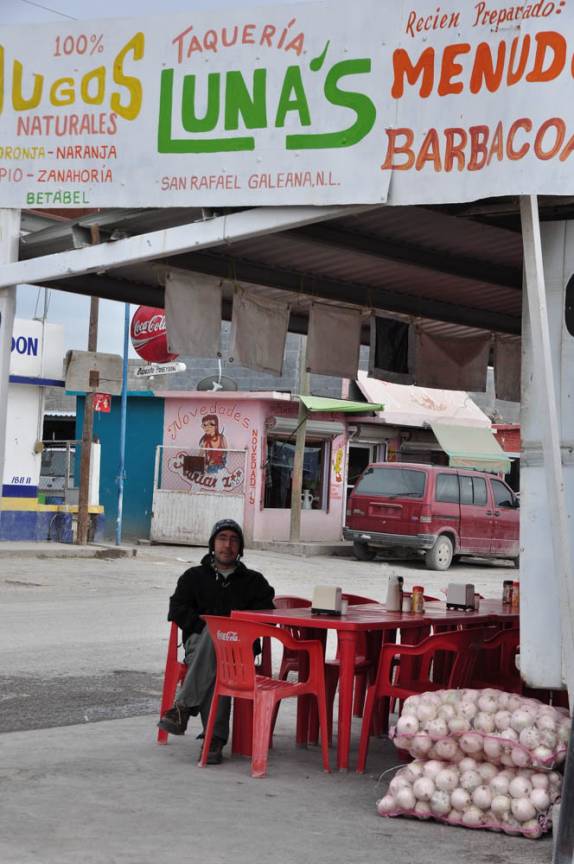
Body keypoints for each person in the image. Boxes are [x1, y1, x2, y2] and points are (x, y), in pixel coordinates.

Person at [157, 518, 275, 764]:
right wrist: (208, 627)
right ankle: (214, 740)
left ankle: (184, 708)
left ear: (240, 548)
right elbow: (177, 609)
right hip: (198, 644)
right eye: (222, 539)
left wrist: (233, 630)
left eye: (234, 540)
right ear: (212, 545)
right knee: (215, 637)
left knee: (220, 639)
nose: (227, 545)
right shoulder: (193, 577)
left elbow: (268, 617)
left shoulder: (254, 582)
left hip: (240, 649)